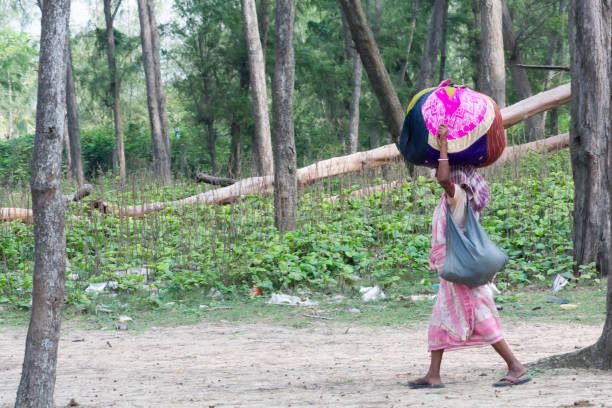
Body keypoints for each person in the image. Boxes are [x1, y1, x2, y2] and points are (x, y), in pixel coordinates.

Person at [408, 123, 530, 389]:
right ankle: (433, 375)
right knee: (440, 320)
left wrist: (442, 144)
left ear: (458, 178)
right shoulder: (453, 200)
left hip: (461, 271)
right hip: (453, 271)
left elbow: (442, 178)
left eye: (449, 172)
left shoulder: (459, 197)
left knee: (482, 318)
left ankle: (515, 366)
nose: (442, 176)